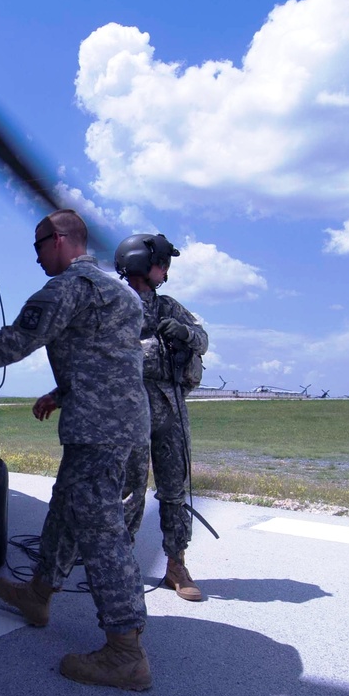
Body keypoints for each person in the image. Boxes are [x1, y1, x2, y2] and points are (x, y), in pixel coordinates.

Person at [0, 209, 152, 692]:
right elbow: (106, 360)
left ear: (58, 239)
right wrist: (60, 393)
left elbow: (16, 342)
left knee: (101, 533)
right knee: (65, 512)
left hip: (97, 431)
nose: (34, 258)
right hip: (124, 426)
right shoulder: (122, 293)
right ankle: (38, 593)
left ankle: (125, 652)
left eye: (37, 247)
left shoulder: (69, 287)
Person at [114, 233, 209, 602]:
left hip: (170, 407)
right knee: (127, 491)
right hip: (129, 409)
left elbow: (202, 339)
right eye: (162, 263)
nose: (166, 270)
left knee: (173, 490)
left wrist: (185, 332)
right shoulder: (115, 303)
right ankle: (119, 566)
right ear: (141, 262)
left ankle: (176, 565)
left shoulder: (168, 306)